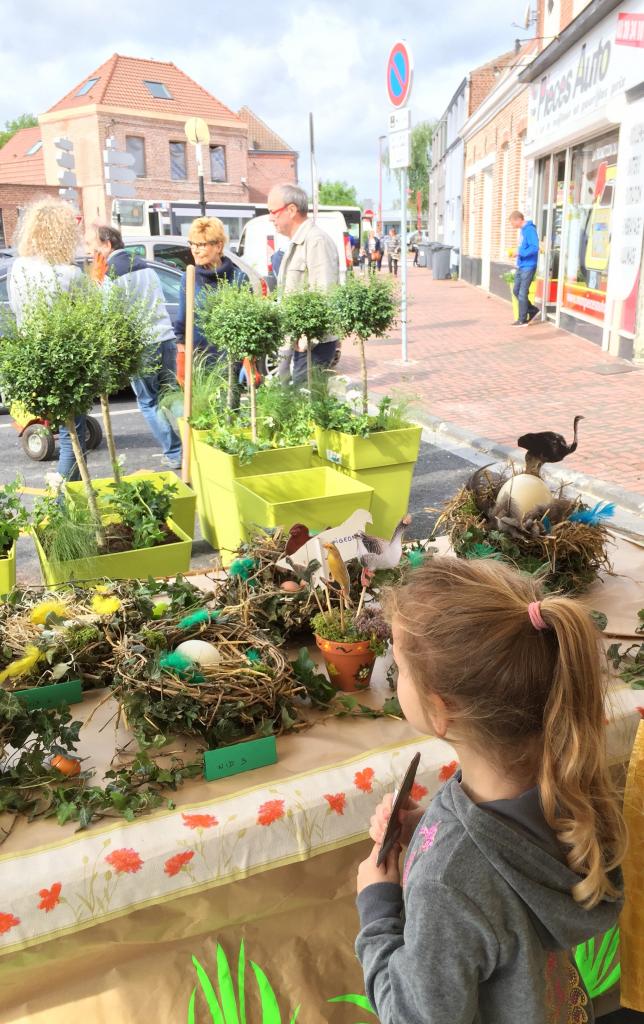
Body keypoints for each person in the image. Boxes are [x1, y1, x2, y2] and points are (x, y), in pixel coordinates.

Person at [356, 556, 626, 1024]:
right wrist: (427, 827)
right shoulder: (570, 790)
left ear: (442, 710)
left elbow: (412, 1016)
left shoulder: (449, 885)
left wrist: (378, 907)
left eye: (398, 667)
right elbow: (499, 862)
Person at [7, 198, 86, 481]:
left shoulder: (18, 268)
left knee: (67, 434)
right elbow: (89, 317)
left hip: (33, 360)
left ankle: (69, 506)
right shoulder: (70, 274)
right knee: (73, 440)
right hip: (64, 363)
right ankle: (64, 505)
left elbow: (17, 310)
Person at [94, 226, 182, 471]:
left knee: (148, 401)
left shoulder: (112, 272)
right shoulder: (143, 263)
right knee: (171, 393)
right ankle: (197, 443)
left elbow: (109, 313)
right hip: (164, 336)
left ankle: (176, 454)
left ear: (108, 244)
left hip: (142, 343)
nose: (94, 251)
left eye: (96, 246)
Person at [267, 183, 340, 384]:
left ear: (291, 210)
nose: (271, 218)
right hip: (297, 339)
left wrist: (310, 337)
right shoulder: (297, 242)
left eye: (273, 212)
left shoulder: (316, 241)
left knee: (306, 402)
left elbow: (326, 293)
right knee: (294, 400)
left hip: (311, 343)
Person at [175, 216, 247, 366]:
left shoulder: (239, 278)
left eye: (201, 244)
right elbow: (181, 326)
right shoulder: (189, 278)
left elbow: (247, 327)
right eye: (192, 244)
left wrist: (248, 360)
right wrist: (182, 358)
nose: (194, 250)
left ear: (218, 246)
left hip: (231, 365)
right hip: (199, 366)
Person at [509, 209, 540, 325]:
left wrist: (520, 253)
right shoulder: (523, 230)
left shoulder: (530, 230)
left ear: (518, 220)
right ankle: (532, 310)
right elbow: (524, 247)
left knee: (522, 292)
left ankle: (522, 319)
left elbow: (534, 247)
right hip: (521, 265)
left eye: (512, 222)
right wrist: (518, 253)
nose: (512, 225)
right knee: (516, 290)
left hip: (529, 266)